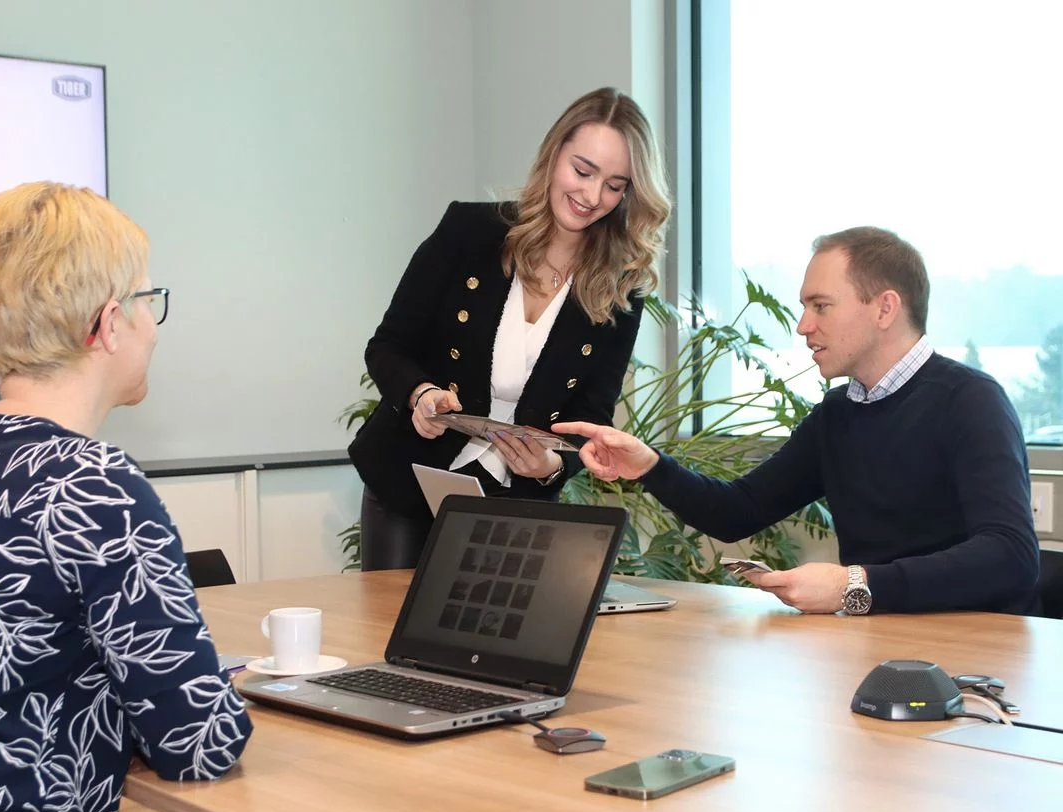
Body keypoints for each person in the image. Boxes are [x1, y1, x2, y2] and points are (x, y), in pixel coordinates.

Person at [0, 182, 252, 812]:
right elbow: (199, 741)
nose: (152, 325)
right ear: (107, 324)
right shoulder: (96, 484)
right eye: (146, 299)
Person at [555, 226, 1040, 616]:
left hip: (975, 664)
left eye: (821, 306)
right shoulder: (838, 415)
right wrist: (648, 466)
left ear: (885, 308)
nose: (804, 325)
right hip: (878, 650)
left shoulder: (972, 401)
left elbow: (1011, 556)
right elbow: (737, 511)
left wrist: (856, 585)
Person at [349, 87, 672, 570]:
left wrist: (549, 468)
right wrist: (420, 395)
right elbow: (388, 346)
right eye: (582, 171)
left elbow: (590, 415)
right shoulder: (469, 232)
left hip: (514, 501)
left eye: (614, 184)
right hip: (410, 483)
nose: (591, 196)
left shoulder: (620, 287)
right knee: (389, 638)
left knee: (493, 642)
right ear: (554, 154)